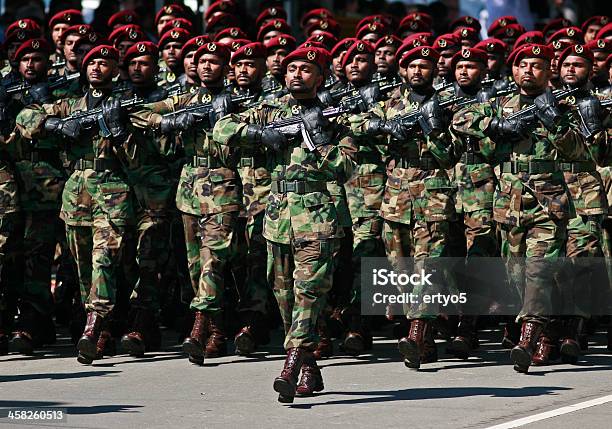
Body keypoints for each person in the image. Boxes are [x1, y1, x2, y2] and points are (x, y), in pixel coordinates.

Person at [214, 46, 357, 402]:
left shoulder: (336, 119)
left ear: (321, 77)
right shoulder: (269, 111)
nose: (296, 74)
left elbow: (346, 167)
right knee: (284, 297)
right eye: (291, 68)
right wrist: (259, 135)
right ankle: (310, 367)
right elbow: (221, 128)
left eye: (306, 69)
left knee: (308, 294)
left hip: (318, 216)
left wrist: (320, 139)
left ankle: (290, 367)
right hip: (278, 217)